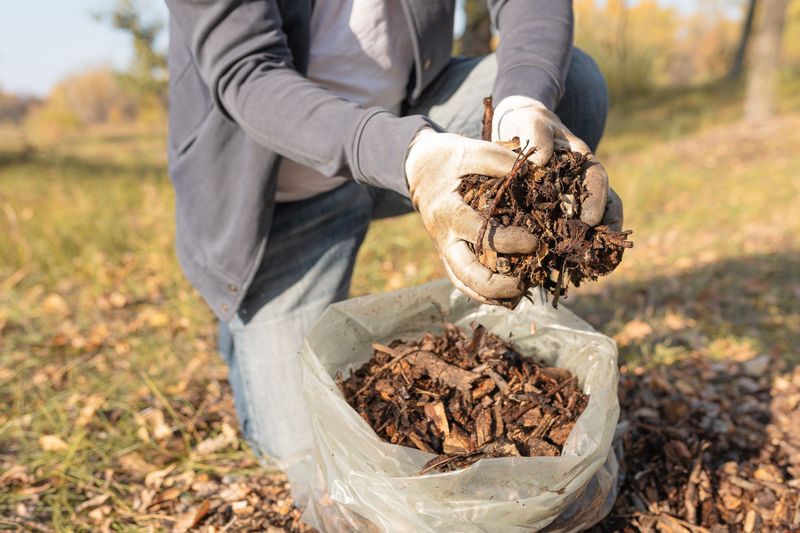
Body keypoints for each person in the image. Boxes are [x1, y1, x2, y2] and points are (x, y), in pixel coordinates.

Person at [165, 0, 622, 502]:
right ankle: (245, 314)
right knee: (312, 469)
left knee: (569, 79)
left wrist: (522, 104)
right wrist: (407, 156)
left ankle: (513, 256)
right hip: (278, 201)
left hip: (413, 124)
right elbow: (247, 72)